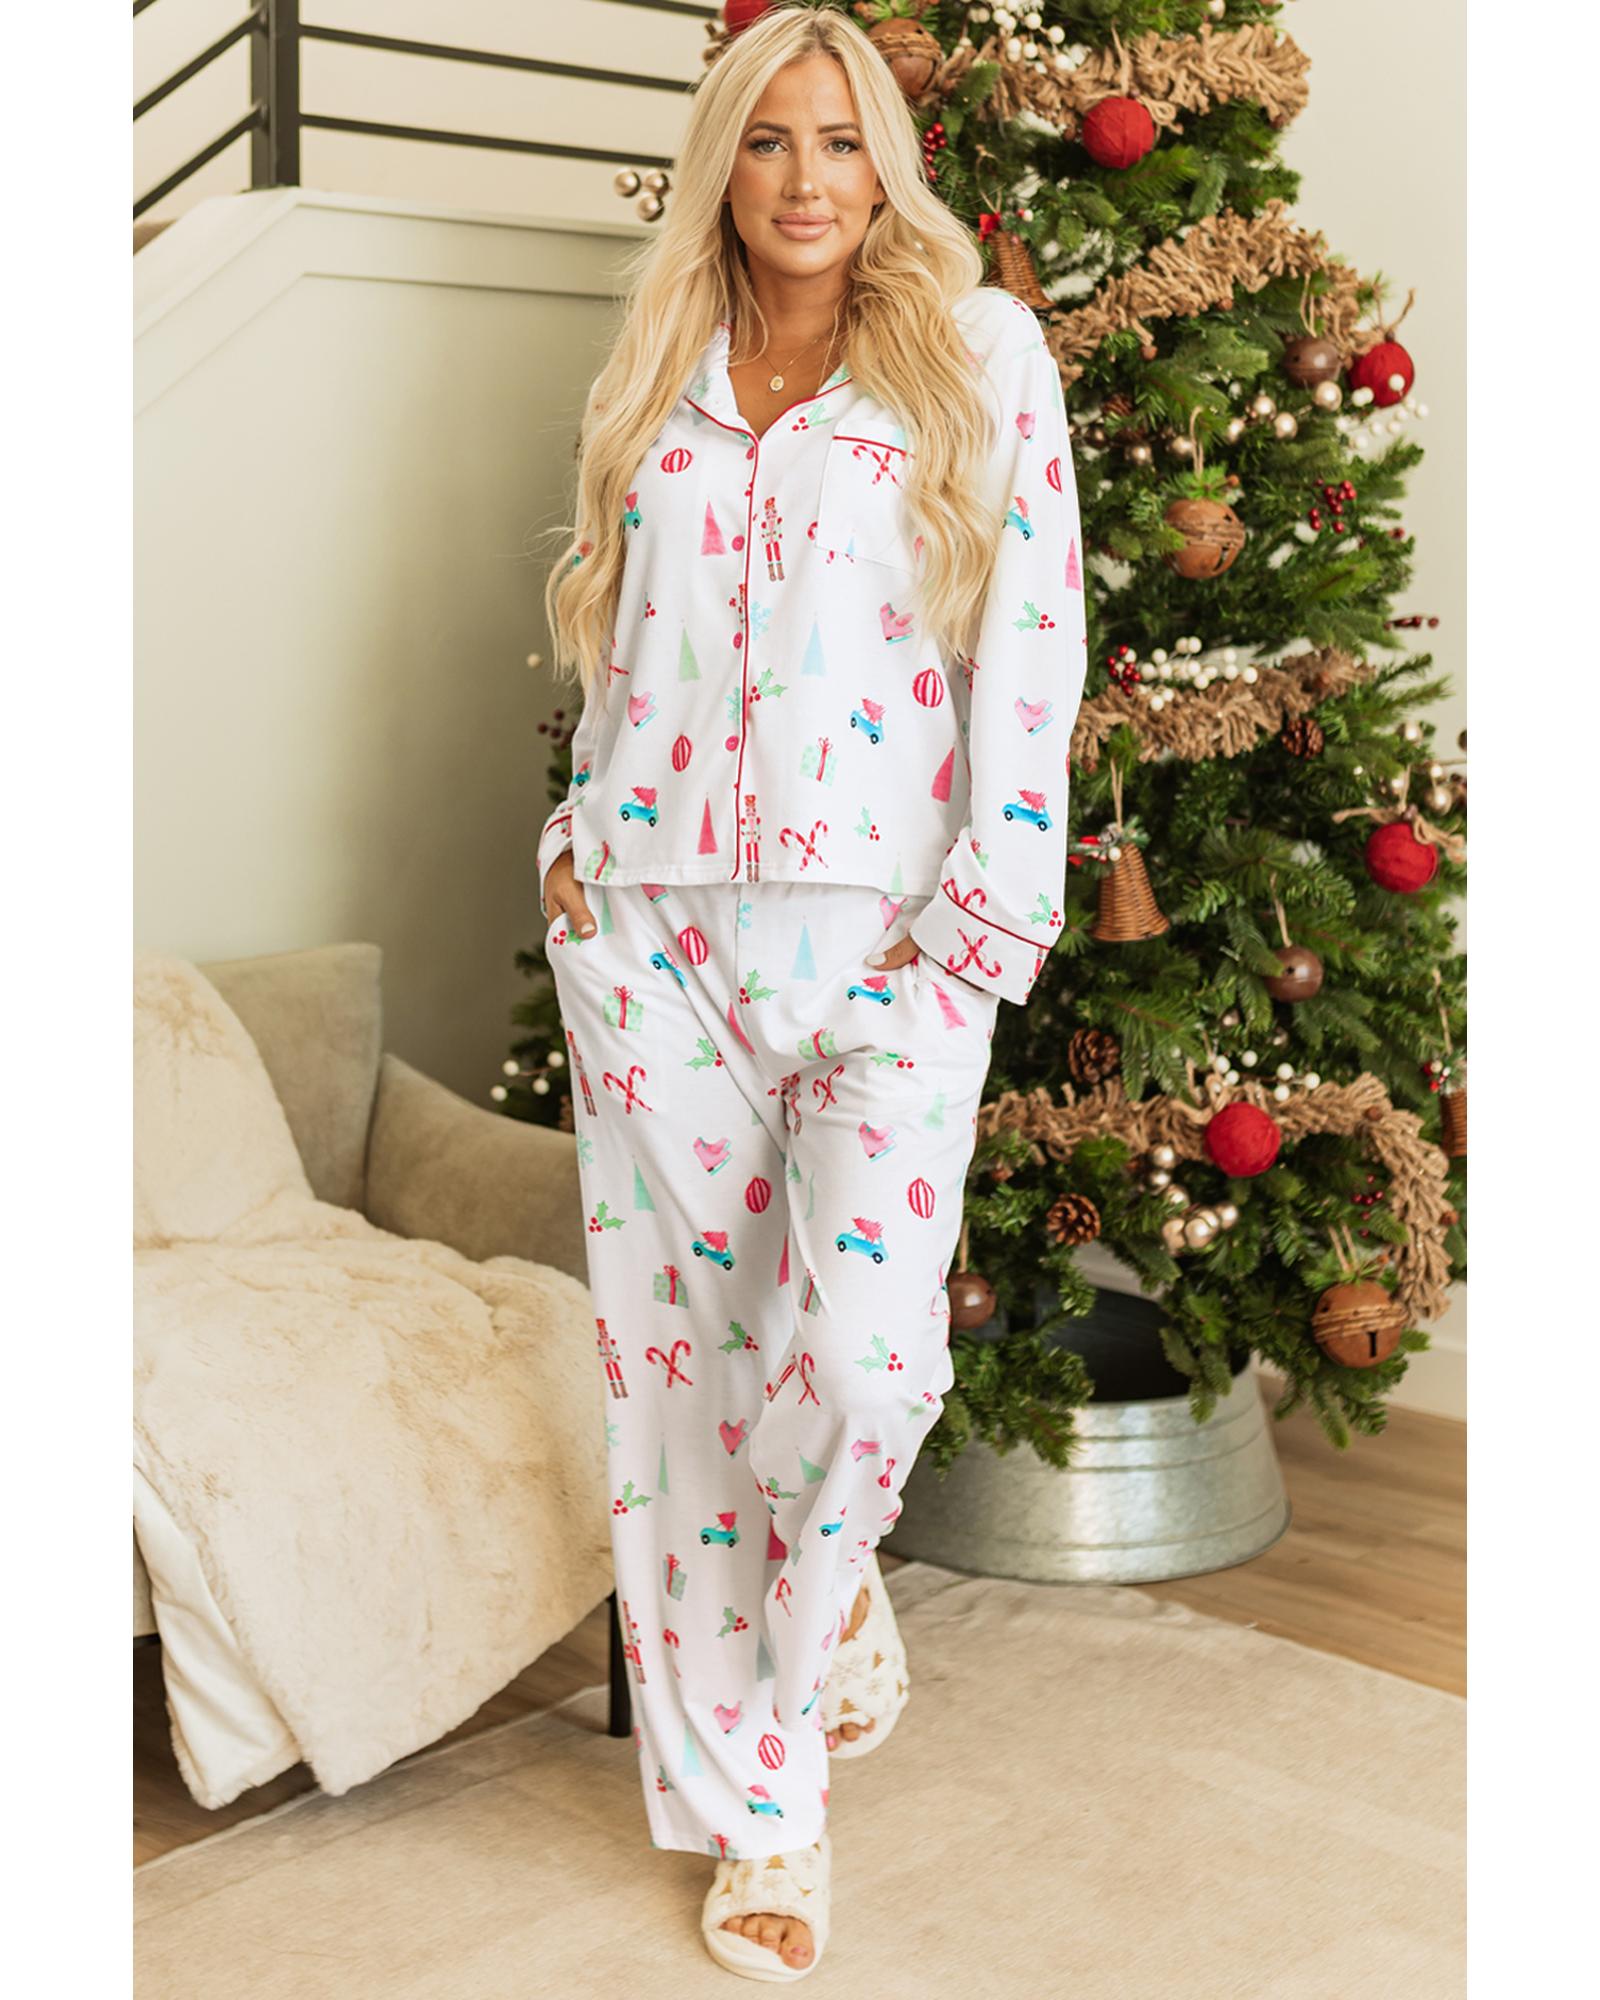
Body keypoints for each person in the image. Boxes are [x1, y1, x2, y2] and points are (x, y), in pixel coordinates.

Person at [535, 4, 1085, 1981]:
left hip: (885, 940)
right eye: (766, 140)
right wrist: (572, 858)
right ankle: (765, 1813)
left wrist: (984, 919)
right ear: (721, 164)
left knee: (861, 1365)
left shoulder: (977, 357)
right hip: (652, 930)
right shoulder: (655, 372)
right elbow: (621, 648)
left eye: (839, 142)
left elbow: (1032, 642)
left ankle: (828, 1585)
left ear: (884, 166)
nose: (803, 179)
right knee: (682, 1390)